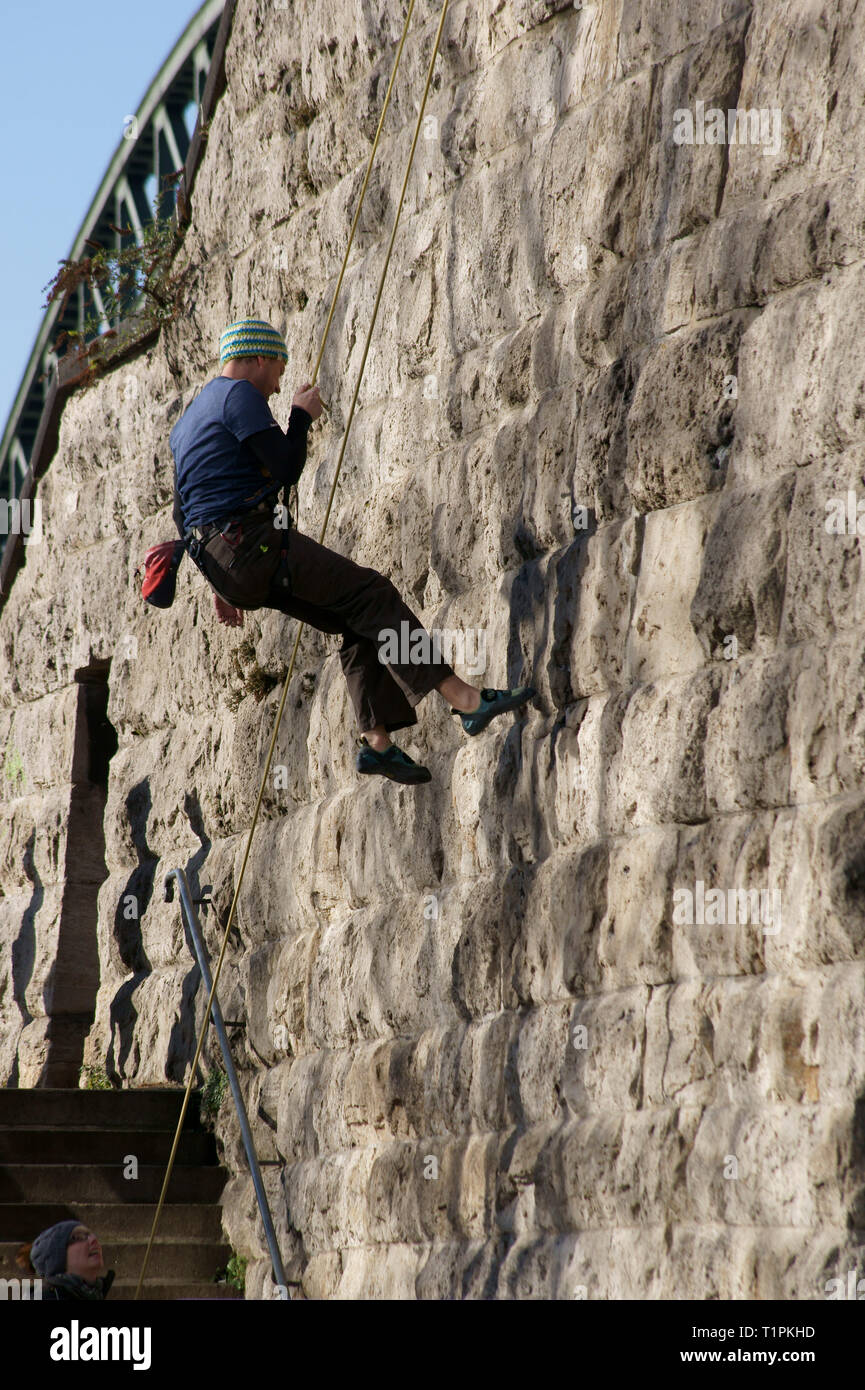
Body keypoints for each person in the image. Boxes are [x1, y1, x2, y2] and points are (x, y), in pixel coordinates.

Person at [170, 317, 536, 784]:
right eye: (278, 371)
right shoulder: (238, 395)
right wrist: (300, 416)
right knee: (371, 594)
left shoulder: (187, 424)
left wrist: (220, 584)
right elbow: (285, 467)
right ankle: (464, 700)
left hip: (223, 561)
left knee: (354, 616)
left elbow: (183, 519)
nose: (278, 386)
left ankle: (378, 743)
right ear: (258, 359)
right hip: (252, 545)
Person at [17, 1218, 114, 1300]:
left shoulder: (91, 1294)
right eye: (78, 1237)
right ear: (57, 1257)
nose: (93, 1239)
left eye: (91, 1235)